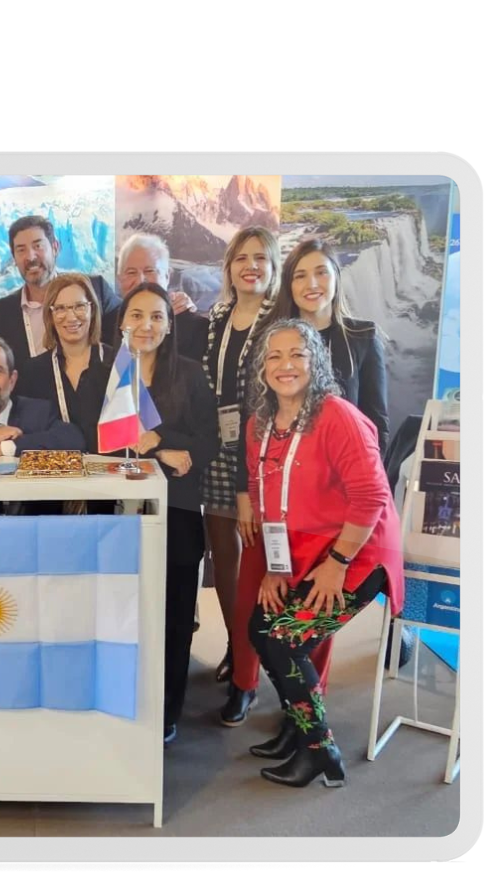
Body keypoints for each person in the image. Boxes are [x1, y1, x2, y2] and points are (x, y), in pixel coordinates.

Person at [243, 319, 403, 787]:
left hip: (359, 552)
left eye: (297, 353)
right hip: (304, 550)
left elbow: (372, 497)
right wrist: (276, 569)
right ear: (262, 368)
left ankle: (320, 752)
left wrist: (338, 564)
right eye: (274, 356)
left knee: (285, 640)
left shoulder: (338, 416)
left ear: (316, 362)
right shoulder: (259, 426)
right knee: (261, 629)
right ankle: (297, 728)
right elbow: (266, 499)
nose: (286, 364)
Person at [82, 284, 218, 743]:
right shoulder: (103, 376)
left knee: (174, 617)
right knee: (120, 611)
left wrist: (164, 440)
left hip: (176, 511)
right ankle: (120, 700)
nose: (146, 325)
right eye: (137, 315)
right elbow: (92, 444)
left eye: (157, 316)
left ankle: (167, 709)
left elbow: (209, 441)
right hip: (115, 512)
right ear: (121, 322)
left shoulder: (191, 374)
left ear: (169, 324)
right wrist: (161, 451)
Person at [191, 227, 281, 722]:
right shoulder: (218, 318)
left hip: (262, 454)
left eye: (260, 258)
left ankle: (257, 663)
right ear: (228, 267)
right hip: (220, 451)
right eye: (241, 258)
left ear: (273, 266)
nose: (251, 266)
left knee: (260, 563)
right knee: (223, 557)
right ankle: (235, 645)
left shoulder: (280, 320)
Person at [267, 238, 389, 454]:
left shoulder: (363, 337)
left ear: (336, 278)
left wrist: (371, 471)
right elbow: (260, 415)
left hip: (347, 466)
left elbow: (376, 422)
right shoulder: (272, 341)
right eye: (300, 276)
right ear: (289, 286)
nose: (312, 284)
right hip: (286, 464)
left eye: (321, 272)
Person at [0, 215, 121, 364]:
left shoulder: (96, 291)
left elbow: (124, 343)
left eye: (38, 246)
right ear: (14, 258)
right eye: (21, 250)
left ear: (55, 247)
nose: (30, 257)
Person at [15, 271, 113, 451]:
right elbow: (31, 434)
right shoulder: (32, 373)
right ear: (50, 315)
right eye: (60, 308)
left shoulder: (117, 363)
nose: (71, 317)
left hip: (112, 465)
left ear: (92, 310)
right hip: (57, 466)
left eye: (79, 306)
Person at [116, 232, 202, 357]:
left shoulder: (193, 328)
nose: (140, 281)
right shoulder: (107, 326)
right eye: (131, 272)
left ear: (167, 276)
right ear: (120, 279)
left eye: (149, 271)